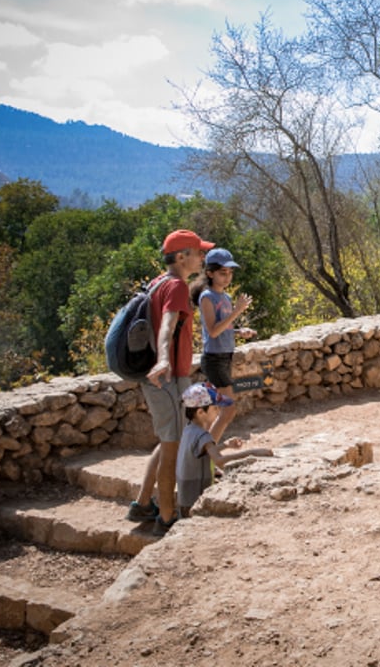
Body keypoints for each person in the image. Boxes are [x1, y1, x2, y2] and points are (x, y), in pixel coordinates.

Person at [126, 228, 213, 537]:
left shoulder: (158, 283)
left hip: (163, 376)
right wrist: (164, 359)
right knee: (173, 447)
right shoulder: (176, 286)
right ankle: (166, 517)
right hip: (168, 377)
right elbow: (166, 327)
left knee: (166, 441)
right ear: (181, 257)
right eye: (198, 252)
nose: (202, 257)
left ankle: (142, 503)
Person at [176, 382, 273, 518]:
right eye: (215, 408)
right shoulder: (204, 435)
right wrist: (252, 453)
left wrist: (225, 445)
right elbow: (219, 461)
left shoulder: (189, 429)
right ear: (200, 412)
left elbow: (201, 452)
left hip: (185, 496)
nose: (218, 411)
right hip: (196, 497)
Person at [190, 247, 256, 446]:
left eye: (230, 273)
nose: (227, 277)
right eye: (222, 273)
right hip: (214, 359)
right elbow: (212, 331)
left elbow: (224, 328)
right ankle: (207, 456)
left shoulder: (225, 297)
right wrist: (237, 311)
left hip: (225, 356)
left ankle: (203, 454)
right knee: (228, 410)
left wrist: (239, 332)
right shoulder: (207, 297)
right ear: (210, 273)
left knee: (218, 412)